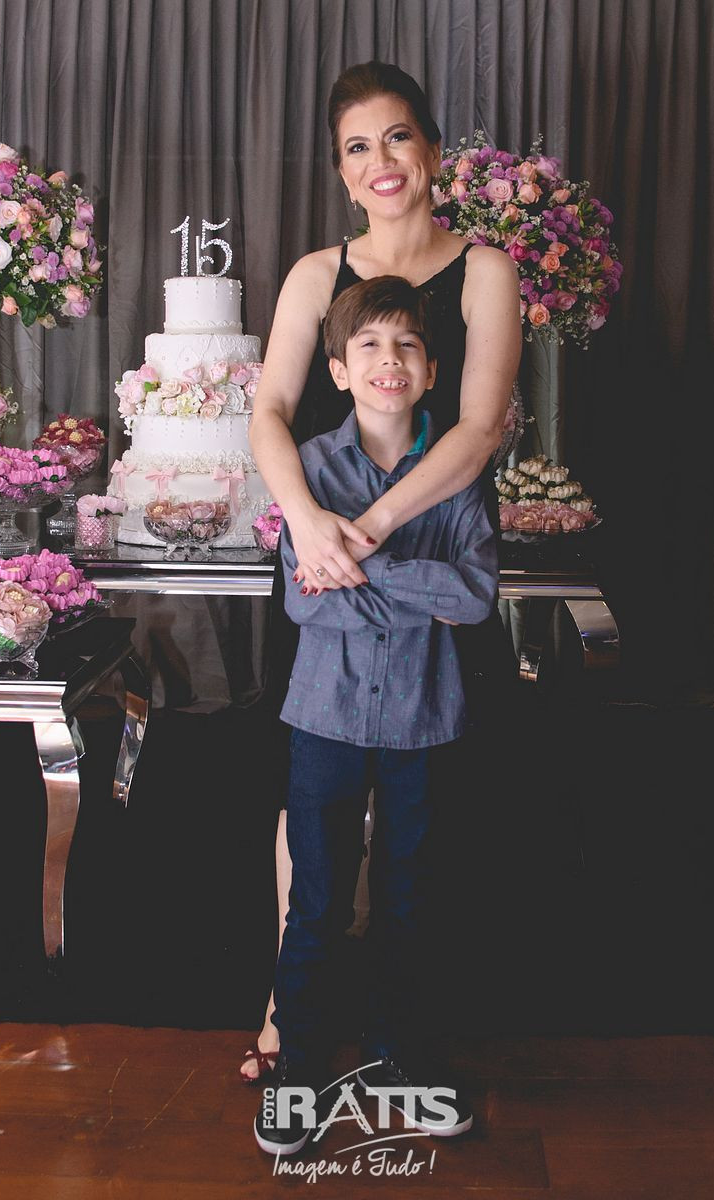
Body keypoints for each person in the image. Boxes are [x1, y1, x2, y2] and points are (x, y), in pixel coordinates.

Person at [241, 59, 521, 1084]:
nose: (381, 161)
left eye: (397, 136)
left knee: (418, 835)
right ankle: (290, 1020)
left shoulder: (484, 270)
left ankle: (406, 1039)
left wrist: (365, 531)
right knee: (313, 811)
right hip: (319, 540)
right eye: (357, 146)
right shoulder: (313, 274)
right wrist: (308, 522)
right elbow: (269, 414)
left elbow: (479, 426)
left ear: (433, 150)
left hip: (417, 529)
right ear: (340, 169)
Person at [254, 275, 499, 1155]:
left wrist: (362, 558)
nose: (387, 361)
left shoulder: (460, 472)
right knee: (317, 899)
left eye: (406, 346)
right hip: (323, 715)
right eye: (368, 346)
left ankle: (402, 1057)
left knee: (411, 897)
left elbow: (472, 597)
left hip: (426, 719)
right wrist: (410, 584)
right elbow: (304, 600)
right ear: (337, 370)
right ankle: (298, 1064)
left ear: (430, 370)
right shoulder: (312, 469)